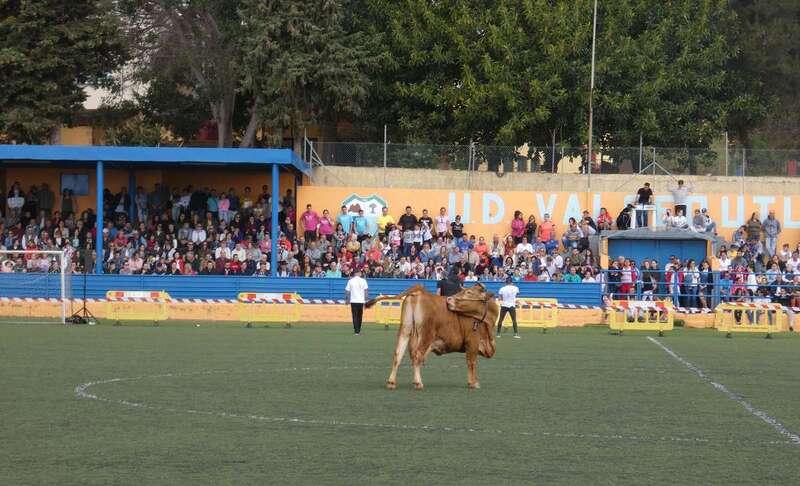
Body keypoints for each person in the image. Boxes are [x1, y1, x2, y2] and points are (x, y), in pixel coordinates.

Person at [344, 268, 369, 335]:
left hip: (353, 301)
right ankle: (359, 330)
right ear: (359, 273)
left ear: (354, 273)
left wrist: (347, 299)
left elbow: (347, 291)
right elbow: (366, 291)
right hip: (361, 301)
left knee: (354, 316)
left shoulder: (350, 281)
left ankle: (356, 331)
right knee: (360, 316)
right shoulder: (363, 281)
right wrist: (366, 299)